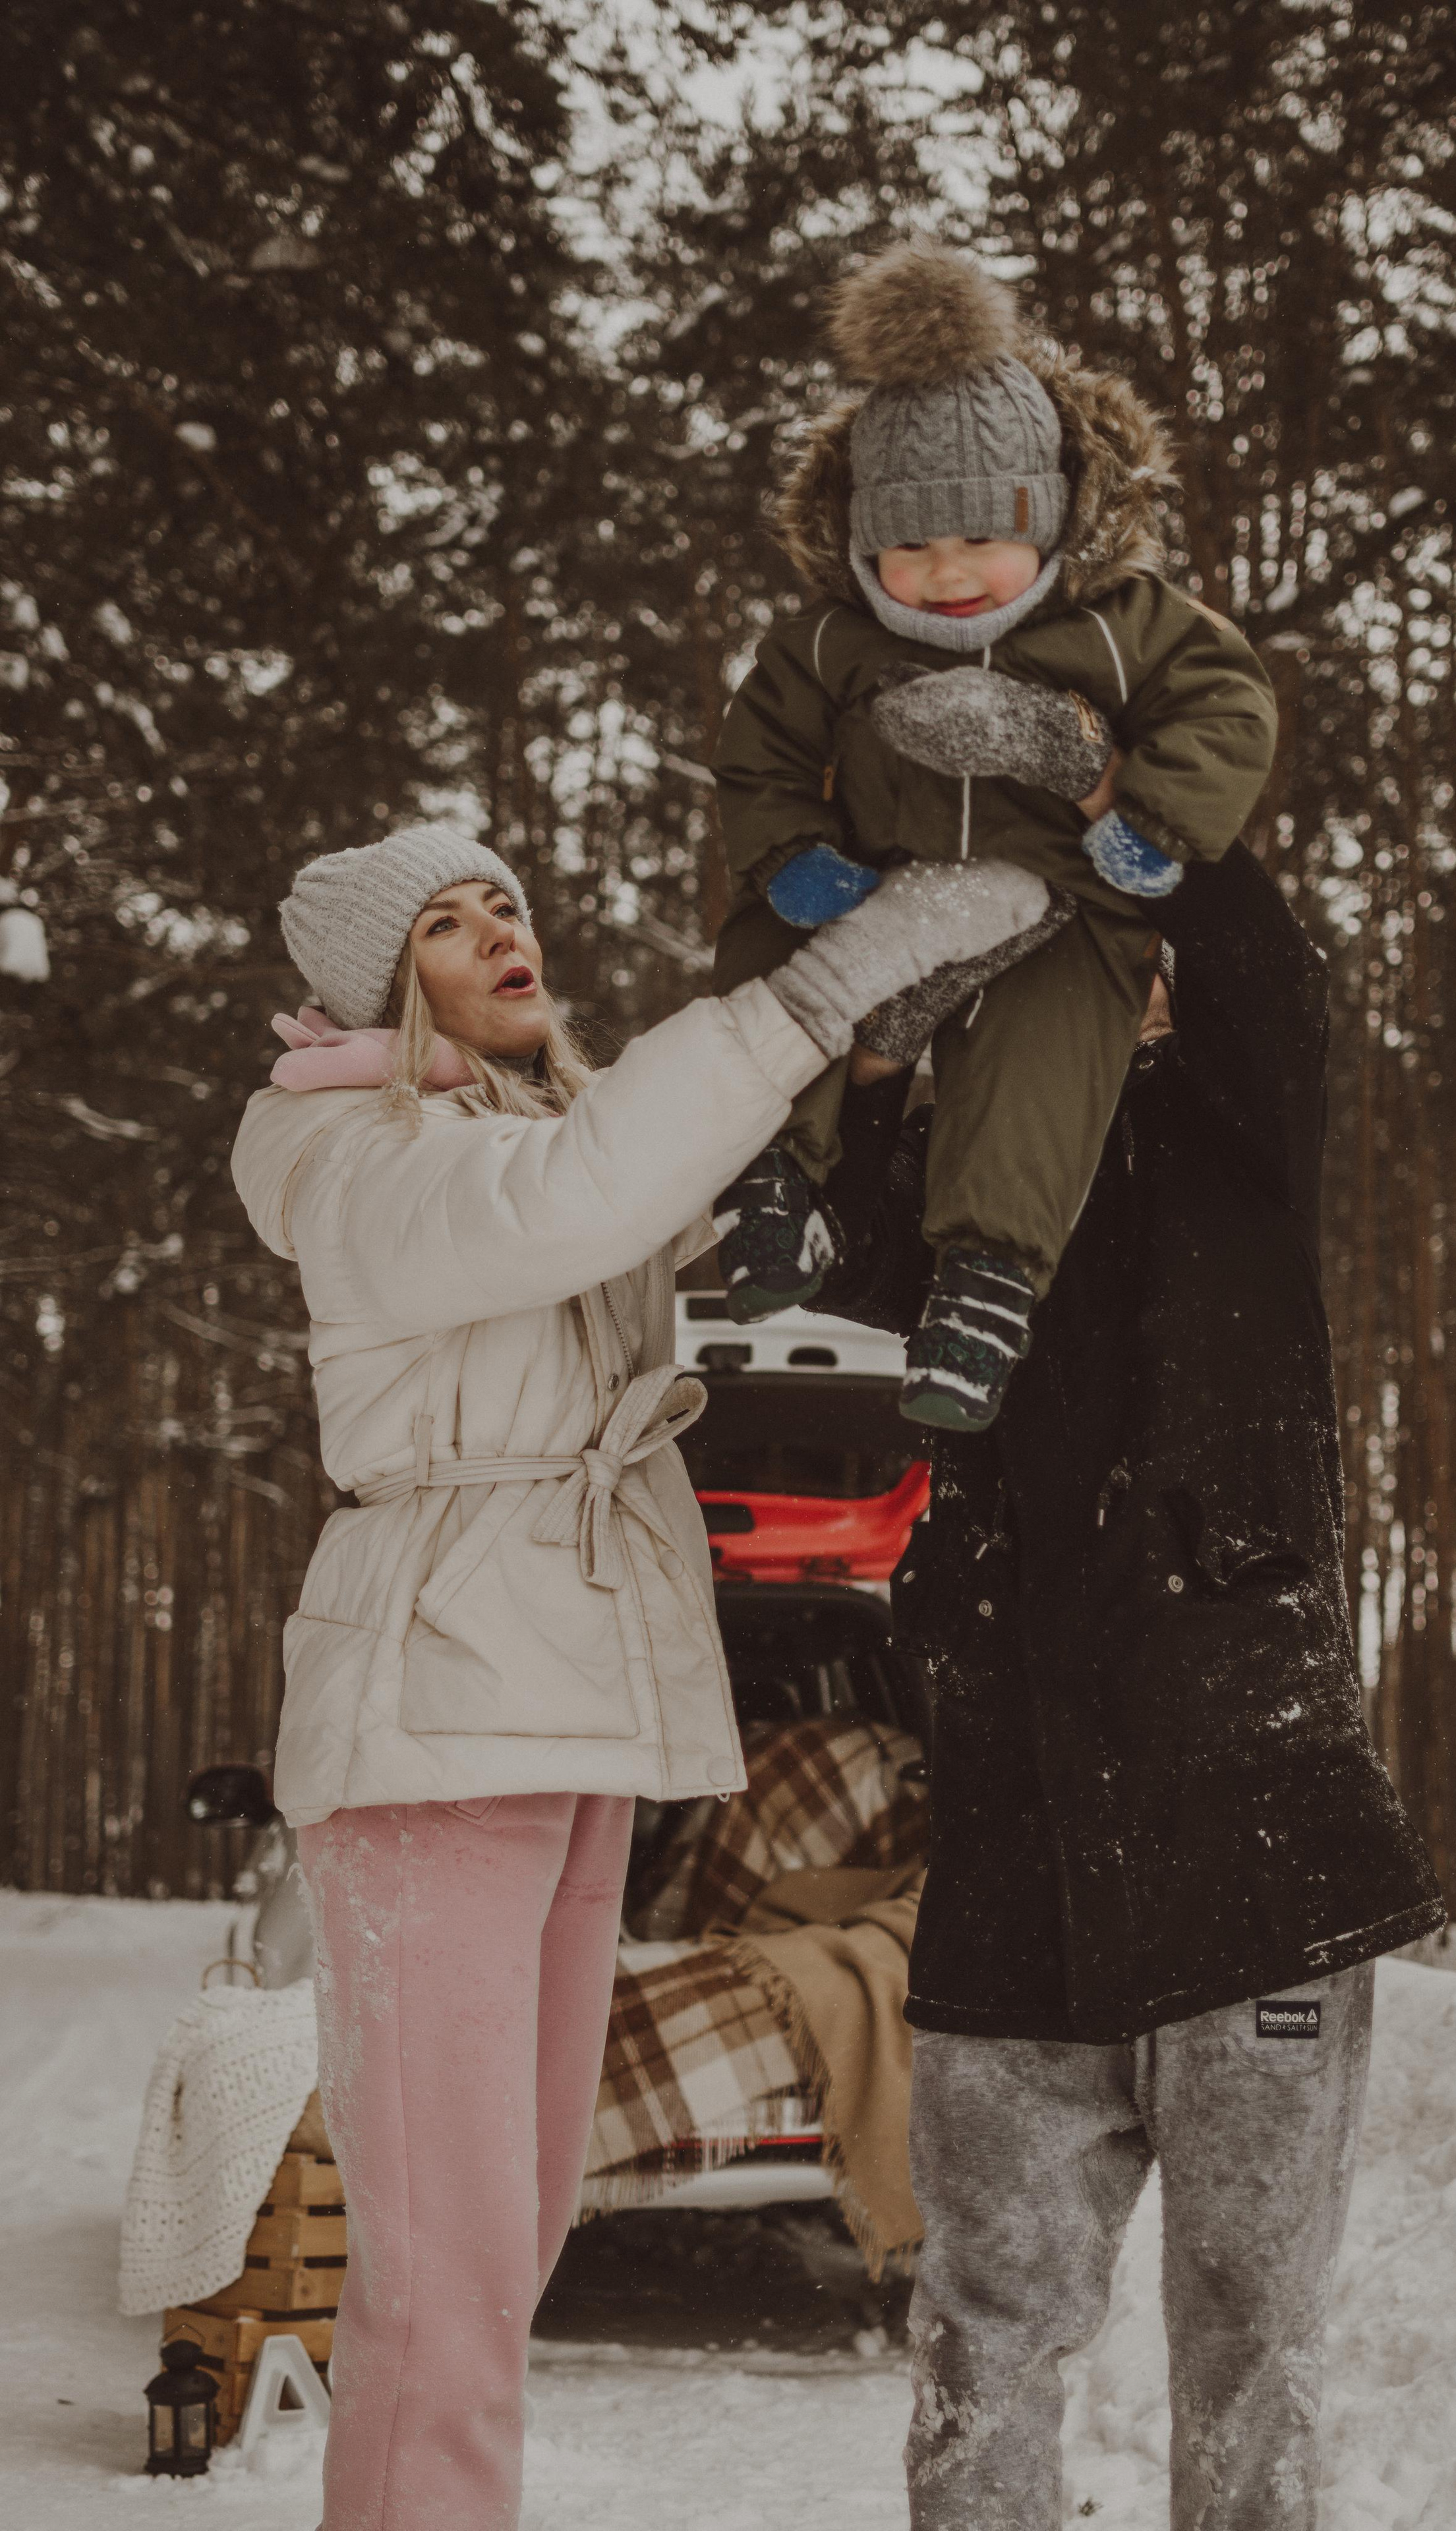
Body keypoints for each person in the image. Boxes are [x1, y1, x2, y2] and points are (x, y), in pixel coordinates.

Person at [228, 819, 1049, 2530]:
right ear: (388, 987)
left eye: (504, 906)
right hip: (436, 1720)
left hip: (567, 1716)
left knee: (506, 2251)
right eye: (447, 929)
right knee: (441, 2283)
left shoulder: (520, 1135)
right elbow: (583, 1192)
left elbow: (649, 1181)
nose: (497, 935)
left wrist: (891, 1040)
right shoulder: (353, 1153)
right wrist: (807, 996)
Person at [818, 821, 1446, 2530]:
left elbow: (1264, 980)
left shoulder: (1234, 1134)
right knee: (986, 2333)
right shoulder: (965, 1187)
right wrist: (884, 1046)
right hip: (1014, 1876)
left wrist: (1136, 818)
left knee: (1254, 2342)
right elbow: (846, 1243)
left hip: (1257, 1857)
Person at [708, 237, 1280, 1434]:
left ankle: (987, 1282)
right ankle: (772, 1182)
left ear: (1055, 518)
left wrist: (1147, 814)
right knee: (772, 955)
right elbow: (757, 751)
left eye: (981, 537)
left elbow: (1227, 706)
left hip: (1063, 899)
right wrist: (794, 856)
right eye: (909, 546)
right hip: (873, 886)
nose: (947, 573)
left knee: (1056, 1038)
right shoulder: (829, 641)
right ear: (864, 543)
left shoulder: (1122, 624)